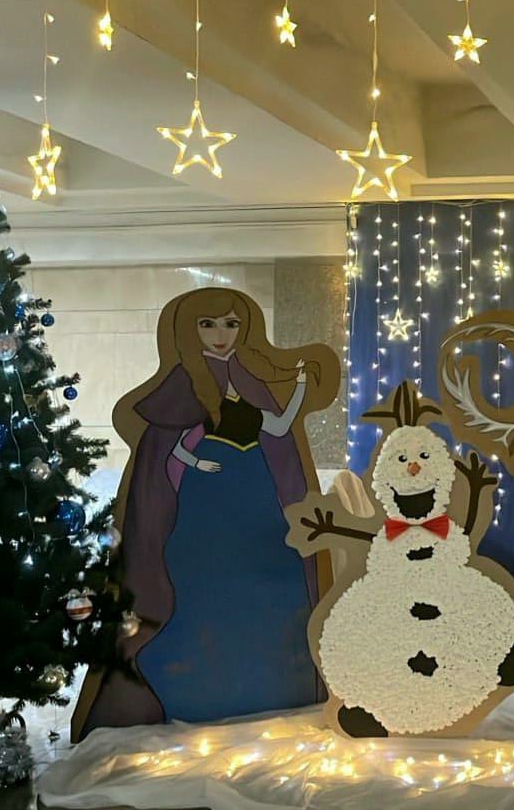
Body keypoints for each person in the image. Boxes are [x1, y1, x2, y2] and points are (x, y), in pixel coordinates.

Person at [72, 288, 338, 737]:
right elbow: (166, 447)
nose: (220, 334)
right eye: (208, 324)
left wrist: (296, 390)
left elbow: (277, 427)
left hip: (255, 494)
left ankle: (269, 687)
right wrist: (196, 463)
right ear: (189, 330)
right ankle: (190, 692)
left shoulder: (248, 380)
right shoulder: (183, 384)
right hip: (202, 502)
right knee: (199, 585)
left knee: (265, 591)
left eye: (231, 324)